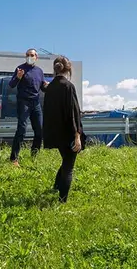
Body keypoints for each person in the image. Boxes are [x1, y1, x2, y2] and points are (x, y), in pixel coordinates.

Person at [43, 56, 85, 203]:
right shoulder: (68, 86)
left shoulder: (50, 88)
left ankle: (56, 185)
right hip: (68, 132)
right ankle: (62, 200)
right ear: (68, 69)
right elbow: (73, 113)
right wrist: (77, 135)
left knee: (66, 159)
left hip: (55, 133)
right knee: (69, 166)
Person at [8, 48, 48, 166]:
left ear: (36, 57)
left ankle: (34, 156)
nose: (29, 56)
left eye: (32, 55)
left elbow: (42, 88)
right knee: (22, 129)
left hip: (35, 103)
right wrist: (18, 77)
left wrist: (47, 86)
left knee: (39, 131)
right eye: (27, 55)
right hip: (23, 102)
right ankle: (14, 158)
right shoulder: (20, 69)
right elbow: (11, 85)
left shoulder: (39, 71)